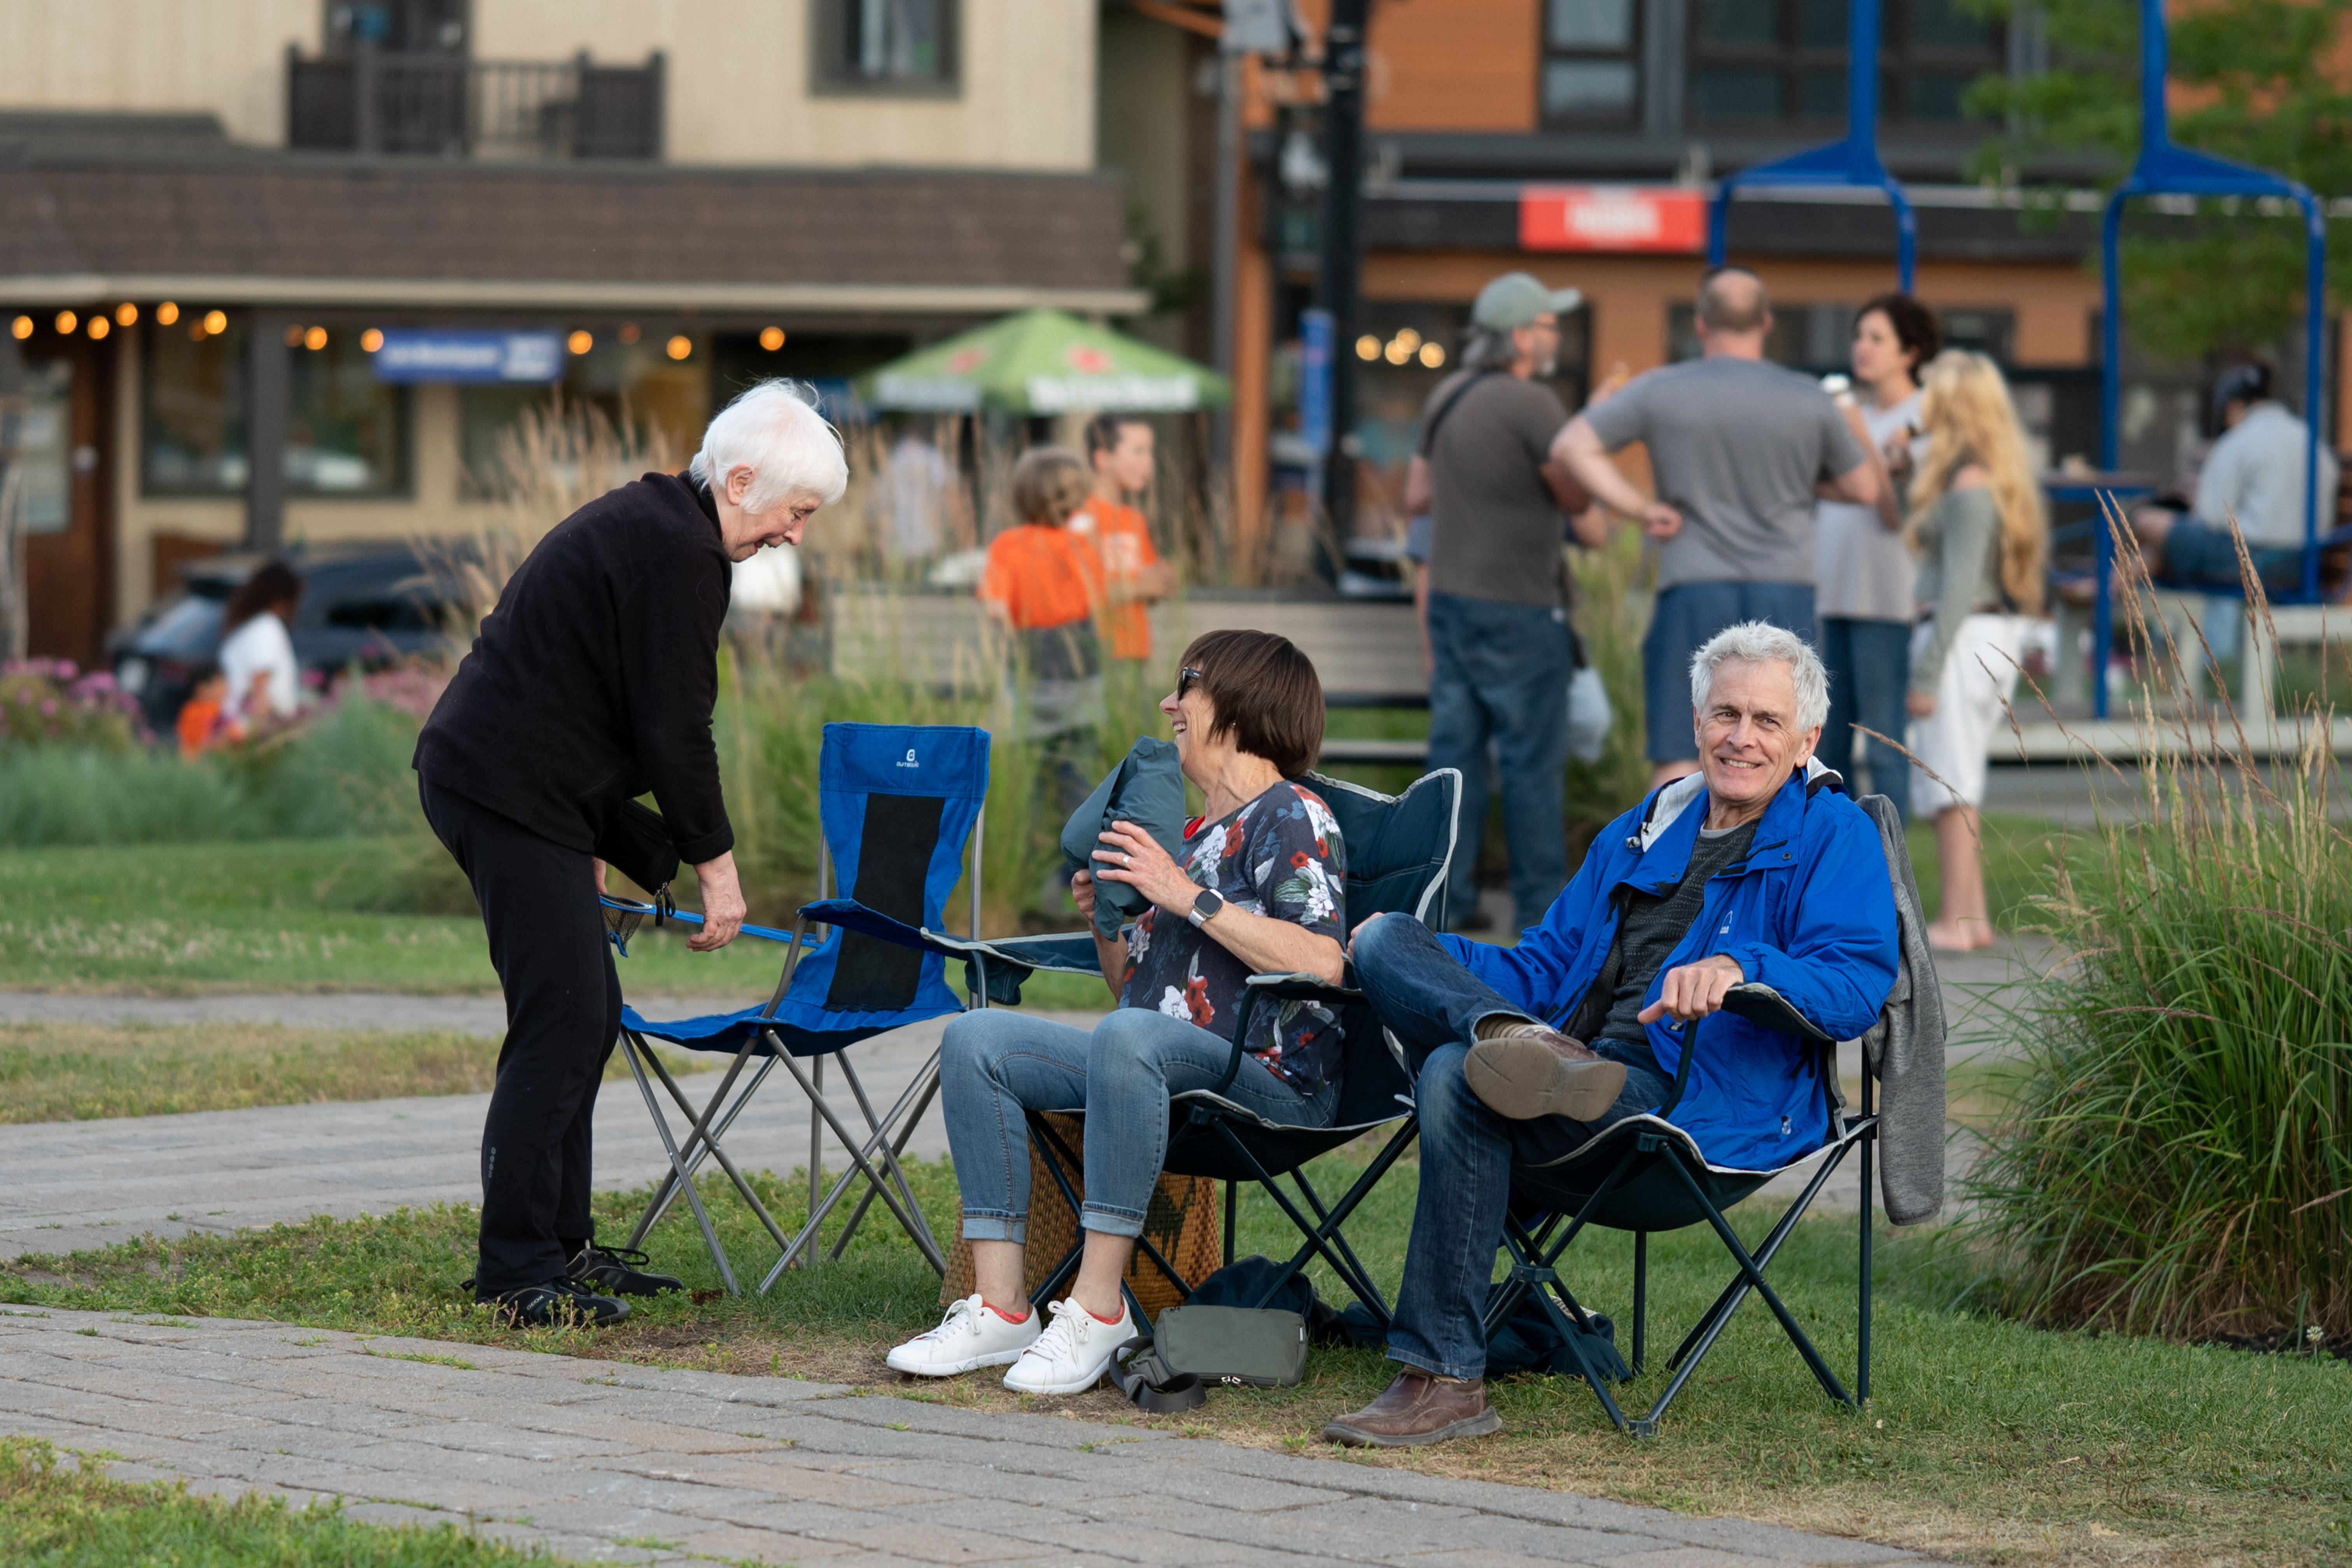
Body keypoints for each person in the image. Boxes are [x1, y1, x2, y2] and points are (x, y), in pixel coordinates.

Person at [1317, 621, 1897, 1447]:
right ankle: (1514, 1039)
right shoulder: (1644, 828)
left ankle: (1443, 1379)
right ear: (1697, 723)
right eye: (1725, 714)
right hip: (1572, 1068)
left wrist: (1741, 967)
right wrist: (1425, 955)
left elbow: (1855, 986)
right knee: (1384, 939)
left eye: (1766, 721)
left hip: (1691, 1103)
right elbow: (1546, 966)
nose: (1741, 736)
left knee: (1453, 1071)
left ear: (1806, 740)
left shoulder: (1833, 835)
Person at [412, 380, 847, 1328]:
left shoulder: (665, 528)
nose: (795, 534)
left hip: (528, 788)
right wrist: (716, 870)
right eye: (797, 512)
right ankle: (517, 1272)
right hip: (502, 787)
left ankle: (562, 1248)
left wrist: (601, 835)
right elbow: (674, 730)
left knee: (588, 1014)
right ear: (741, 481)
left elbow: (605, 696)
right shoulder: (679, 551)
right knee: (561, 1024)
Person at [885, 630, 1346, 1395]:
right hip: (1165, 1063)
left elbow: (1322, 961)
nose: (1169, 703)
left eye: (1187, 684)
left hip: (1269, 1083)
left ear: (1241, 703)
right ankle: (1002, 1307)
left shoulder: (1292, 814)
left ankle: (1099, 1310)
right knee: (976, 1038)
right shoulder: (1186, 840)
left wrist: (1184, 895)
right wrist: (1107, 922)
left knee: (1128, 1039)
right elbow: (1135, 993)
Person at [1557, 266, 1883, 786]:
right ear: (1767, 323)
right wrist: (1801, 483)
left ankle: (1670, 846)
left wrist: (1639, 508)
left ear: (1702, 324)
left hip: (1693, 585)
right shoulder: (1808, 396)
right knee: (1785, 752)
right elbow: (1865, 488)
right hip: (1785, 588)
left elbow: (1572, 446)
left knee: (1679, 752)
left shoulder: (1661, 389)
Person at [1407, 271, 1607, 933]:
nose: (1556, 336)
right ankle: (1538, 914)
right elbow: (1576, 497)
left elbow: (1416, 495)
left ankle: (1445, 904)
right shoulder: (1533, 403)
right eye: (1548, 325)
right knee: (1530, 766)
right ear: (1521, 337)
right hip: (1520, 605)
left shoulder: (1444, 395)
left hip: (1452, 601)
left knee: (1455, 762)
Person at [1902, 351, 2049, 954]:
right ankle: (1975, 916)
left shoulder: (1969, 486)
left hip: (1960, 640)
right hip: (1982, 637)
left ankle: (1957, 922)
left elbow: (1959, 588)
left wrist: (1926, 672)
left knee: (1951, 784)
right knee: (1961, 778)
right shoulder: (1988, 477)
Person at [1816, 294, 1940, 821]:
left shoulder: (1926, 417)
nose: (1862, 348)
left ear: (1910, 351)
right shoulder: (1856, 415)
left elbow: (1896, 514)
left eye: (1877, 338)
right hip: (1830, 594)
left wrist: (1859, 434)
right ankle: (1833, 857)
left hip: (1888, 599)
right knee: (1827, 747)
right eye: (1858, 337)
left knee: (1884, 740)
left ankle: (1893, 862)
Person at [2130, 362, 2340, 590]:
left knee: (2145, 521)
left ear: (2233, 406)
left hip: (2254, 561)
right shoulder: (2312, 440)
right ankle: (2112, 585)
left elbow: (2210, 518)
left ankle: (2108, 591)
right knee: (2160, 551)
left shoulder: (2238, 440)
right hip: (2305, 563)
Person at [980, 446, 1108, 812]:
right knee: (1080, 765)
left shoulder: (1009, 546)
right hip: (1080, 659)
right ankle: (1077, 839)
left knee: (1030, 769)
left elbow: (996, 608)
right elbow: (1099, 603)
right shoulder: (1083, 546)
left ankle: (1036, 838)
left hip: (1031, 660)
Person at [1074, 414, 1177, 664]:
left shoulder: (1135, 519)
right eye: (1138, 452)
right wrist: (1142, 587)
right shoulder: (1081, 519)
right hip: (1098, 652)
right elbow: (1082, 591)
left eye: (1150, 452)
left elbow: (1149, 587)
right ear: (1103, 459)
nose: (1149, 462)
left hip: (1136, 650)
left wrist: (1162, 582)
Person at [217, 560, 304, 725]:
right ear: (282, 598)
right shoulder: (266, 627)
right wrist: (263, 727)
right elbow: (260, 681)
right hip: (257, 727)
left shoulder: (248, 627)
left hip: (238, 724)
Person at [174, 661, 242, 757]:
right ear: (201, 688)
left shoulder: (220, 708)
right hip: (200, 758)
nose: (226, 688)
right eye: (220, 684)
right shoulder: (194, 712)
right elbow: (200, 742)